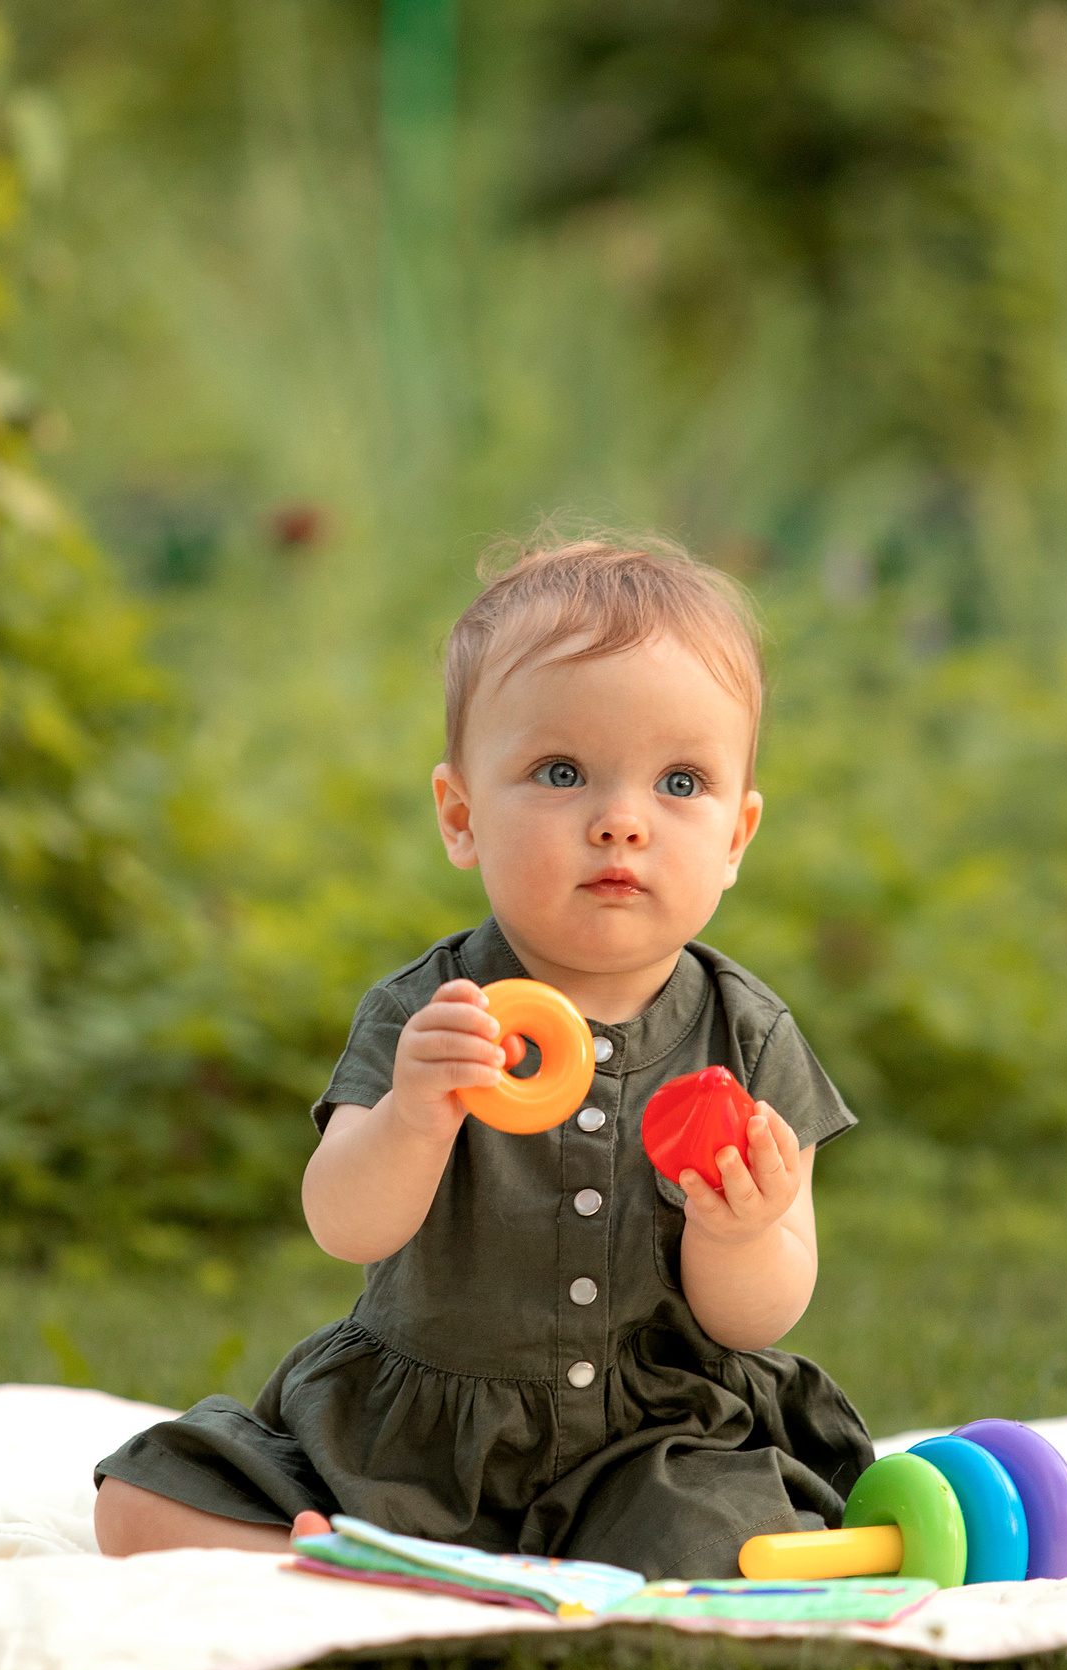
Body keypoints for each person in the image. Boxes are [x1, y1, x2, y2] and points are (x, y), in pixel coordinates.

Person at [92, 533, 874, 1578]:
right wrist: (416, 1114)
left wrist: (741, 1230)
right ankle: (348, 1553)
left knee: (724, 1542)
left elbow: (762, 1311)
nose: (620, 823)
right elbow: (343, 1223)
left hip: (653, 1446)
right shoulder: (431, 1014)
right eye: (561, 772)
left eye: (679, 782)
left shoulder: (749, 1038)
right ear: (461, 816)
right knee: (139, 1499)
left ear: (737, 835)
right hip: (416, 1436)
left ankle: (500, 1575)